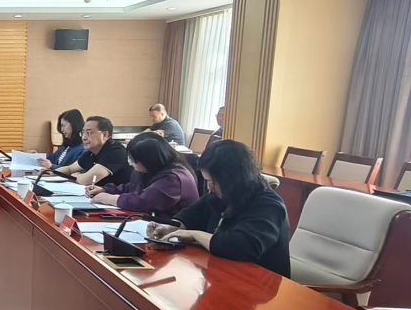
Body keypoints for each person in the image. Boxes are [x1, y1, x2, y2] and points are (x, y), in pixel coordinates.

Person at [148, 140, 290, 277]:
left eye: (212, 182)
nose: (209, 187)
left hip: (258, 281)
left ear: (230, 179)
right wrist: (173, 227)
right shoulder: (224, 193)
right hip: (222, 271)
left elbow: (241, 246)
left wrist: (194, 235)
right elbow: (193, 214)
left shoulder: (269, 205)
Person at [87, 133, 200, 216]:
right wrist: (105, 190)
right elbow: (133, 187)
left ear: (148, 160)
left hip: (173, 230)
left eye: (133, 160)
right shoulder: (149, 170)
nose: (131, 163)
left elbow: (144, 201)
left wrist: (111, 199)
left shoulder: (174, 178)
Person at [53, 116, 132, 186]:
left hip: (117, 196)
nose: (84, 138)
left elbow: (86, 180)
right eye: (83, 133)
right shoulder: (91, 152)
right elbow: (70, 169)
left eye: (89, 133)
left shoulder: (116, 151)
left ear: (105, 135)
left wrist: (75, 175)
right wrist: (51, 173)